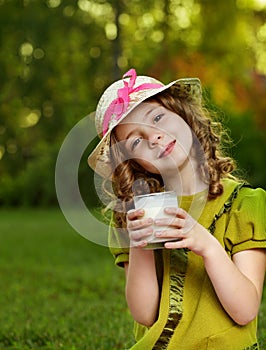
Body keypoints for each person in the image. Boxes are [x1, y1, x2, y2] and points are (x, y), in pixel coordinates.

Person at [88, 68, 266, 349]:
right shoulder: (134, 215)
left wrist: (205, 244)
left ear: (184, 115)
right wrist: (139, 244)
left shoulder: (244, 204)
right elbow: (145, 314)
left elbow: (244, 310)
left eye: (158, 118)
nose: (154, 137)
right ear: (131, 161)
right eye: (136, 140)